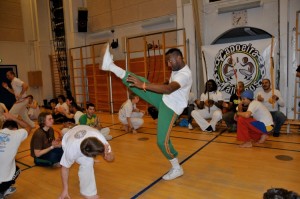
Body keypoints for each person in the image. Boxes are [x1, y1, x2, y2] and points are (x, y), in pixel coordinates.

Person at [100, 44, 192, 180]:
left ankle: (177, 168)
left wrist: (144, 85)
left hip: (171, 108)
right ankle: (110, 66)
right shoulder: (177, 67)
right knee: (138, 82)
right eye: (167, 61)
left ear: (179, 58)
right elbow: (169, 86)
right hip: (165, 99)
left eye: (170, 61)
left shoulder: (184, 74)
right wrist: (149, 84)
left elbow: (169, 89)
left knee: (162, 142)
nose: (168, 64)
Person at [58, 125, 114, 199]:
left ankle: (87, 192)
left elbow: (112, 158)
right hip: (68, 139)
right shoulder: (71, 149)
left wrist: (108, 155)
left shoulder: (100, 139)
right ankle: (88, 193)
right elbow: (64, 168)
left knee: (88, 162)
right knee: (87, 162)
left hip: (81, 128)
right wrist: (65, 190)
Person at [0, 113, 29, 198]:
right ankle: (2, 191)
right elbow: (28, 127)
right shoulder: (16, 134)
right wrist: (14, 118)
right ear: (15, 129)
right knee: (17, 170)